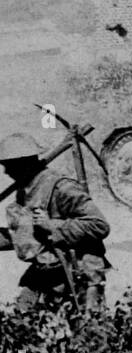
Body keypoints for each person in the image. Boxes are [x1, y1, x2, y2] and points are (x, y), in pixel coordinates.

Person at [0, 132, 110, 312]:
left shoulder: (62, 187)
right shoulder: (25, 191)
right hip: (47, 270)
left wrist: (52, 225)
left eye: (8, 166)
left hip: (79, 271)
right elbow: (26, 235)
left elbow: (99, 225)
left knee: (87, 332)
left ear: (25, 163)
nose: (5, 172)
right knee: (22, 321)